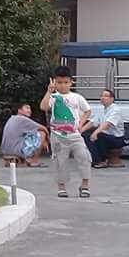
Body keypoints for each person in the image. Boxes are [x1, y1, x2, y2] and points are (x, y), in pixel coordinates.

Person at [40, 65, 93, 198]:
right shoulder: (53, 97)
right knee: (60, 162)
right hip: (58, 136)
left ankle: (85, 185)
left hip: (75, 136)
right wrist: (49, 92)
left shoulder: (77, 97)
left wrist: (81, 124)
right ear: (55, 82)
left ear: (71, 82)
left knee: (84, 158)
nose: (63, 85)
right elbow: (43, 107)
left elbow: (88, 111)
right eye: (59, 82)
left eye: (65, 82)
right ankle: (61, 187)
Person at [82, 88, 127, 168]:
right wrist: (80, 130)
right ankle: (95, 159)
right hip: (106, 136)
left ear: (112, 99)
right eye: (101, 96)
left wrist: (95, 133)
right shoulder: (102, 110)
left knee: (98, 135)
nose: (102, 98)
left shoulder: (115, 110)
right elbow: (93, 122)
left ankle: (101, 160)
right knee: (85, 134)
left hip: (117, 138)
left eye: (106, 96)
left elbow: (108, 124)